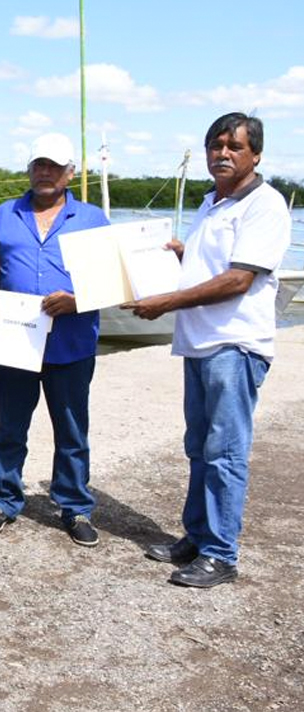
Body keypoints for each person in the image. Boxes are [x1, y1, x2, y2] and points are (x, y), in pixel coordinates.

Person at [126, 113, 291, 587]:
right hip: (199, 344)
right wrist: (180, 257)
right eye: (215, 146)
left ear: (255, 155)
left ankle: (222, 553)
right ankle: (197, 537)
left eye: (234, 147)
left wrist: (166, 302)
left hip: (233, 345)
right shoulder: (212, 202)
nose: (222, 154)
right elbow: (211, 267)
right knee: (199, 446)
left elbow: (239, 279)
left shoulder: (265, 204)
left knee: (225, 451)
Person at [0, 133, 108, 546]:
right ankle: (3, 498)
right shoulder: (3, 214)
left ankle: (75, 506)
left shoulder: (92, 218)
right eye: (38, 164)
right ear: (29, 169)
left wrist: (78, 299)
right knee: (9, 426)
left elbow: (111, 282)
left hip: (72, 342)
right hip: (16, 340)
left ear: (71, 172)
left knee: (71, 430)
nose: (45, 172)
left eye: (54, 165)